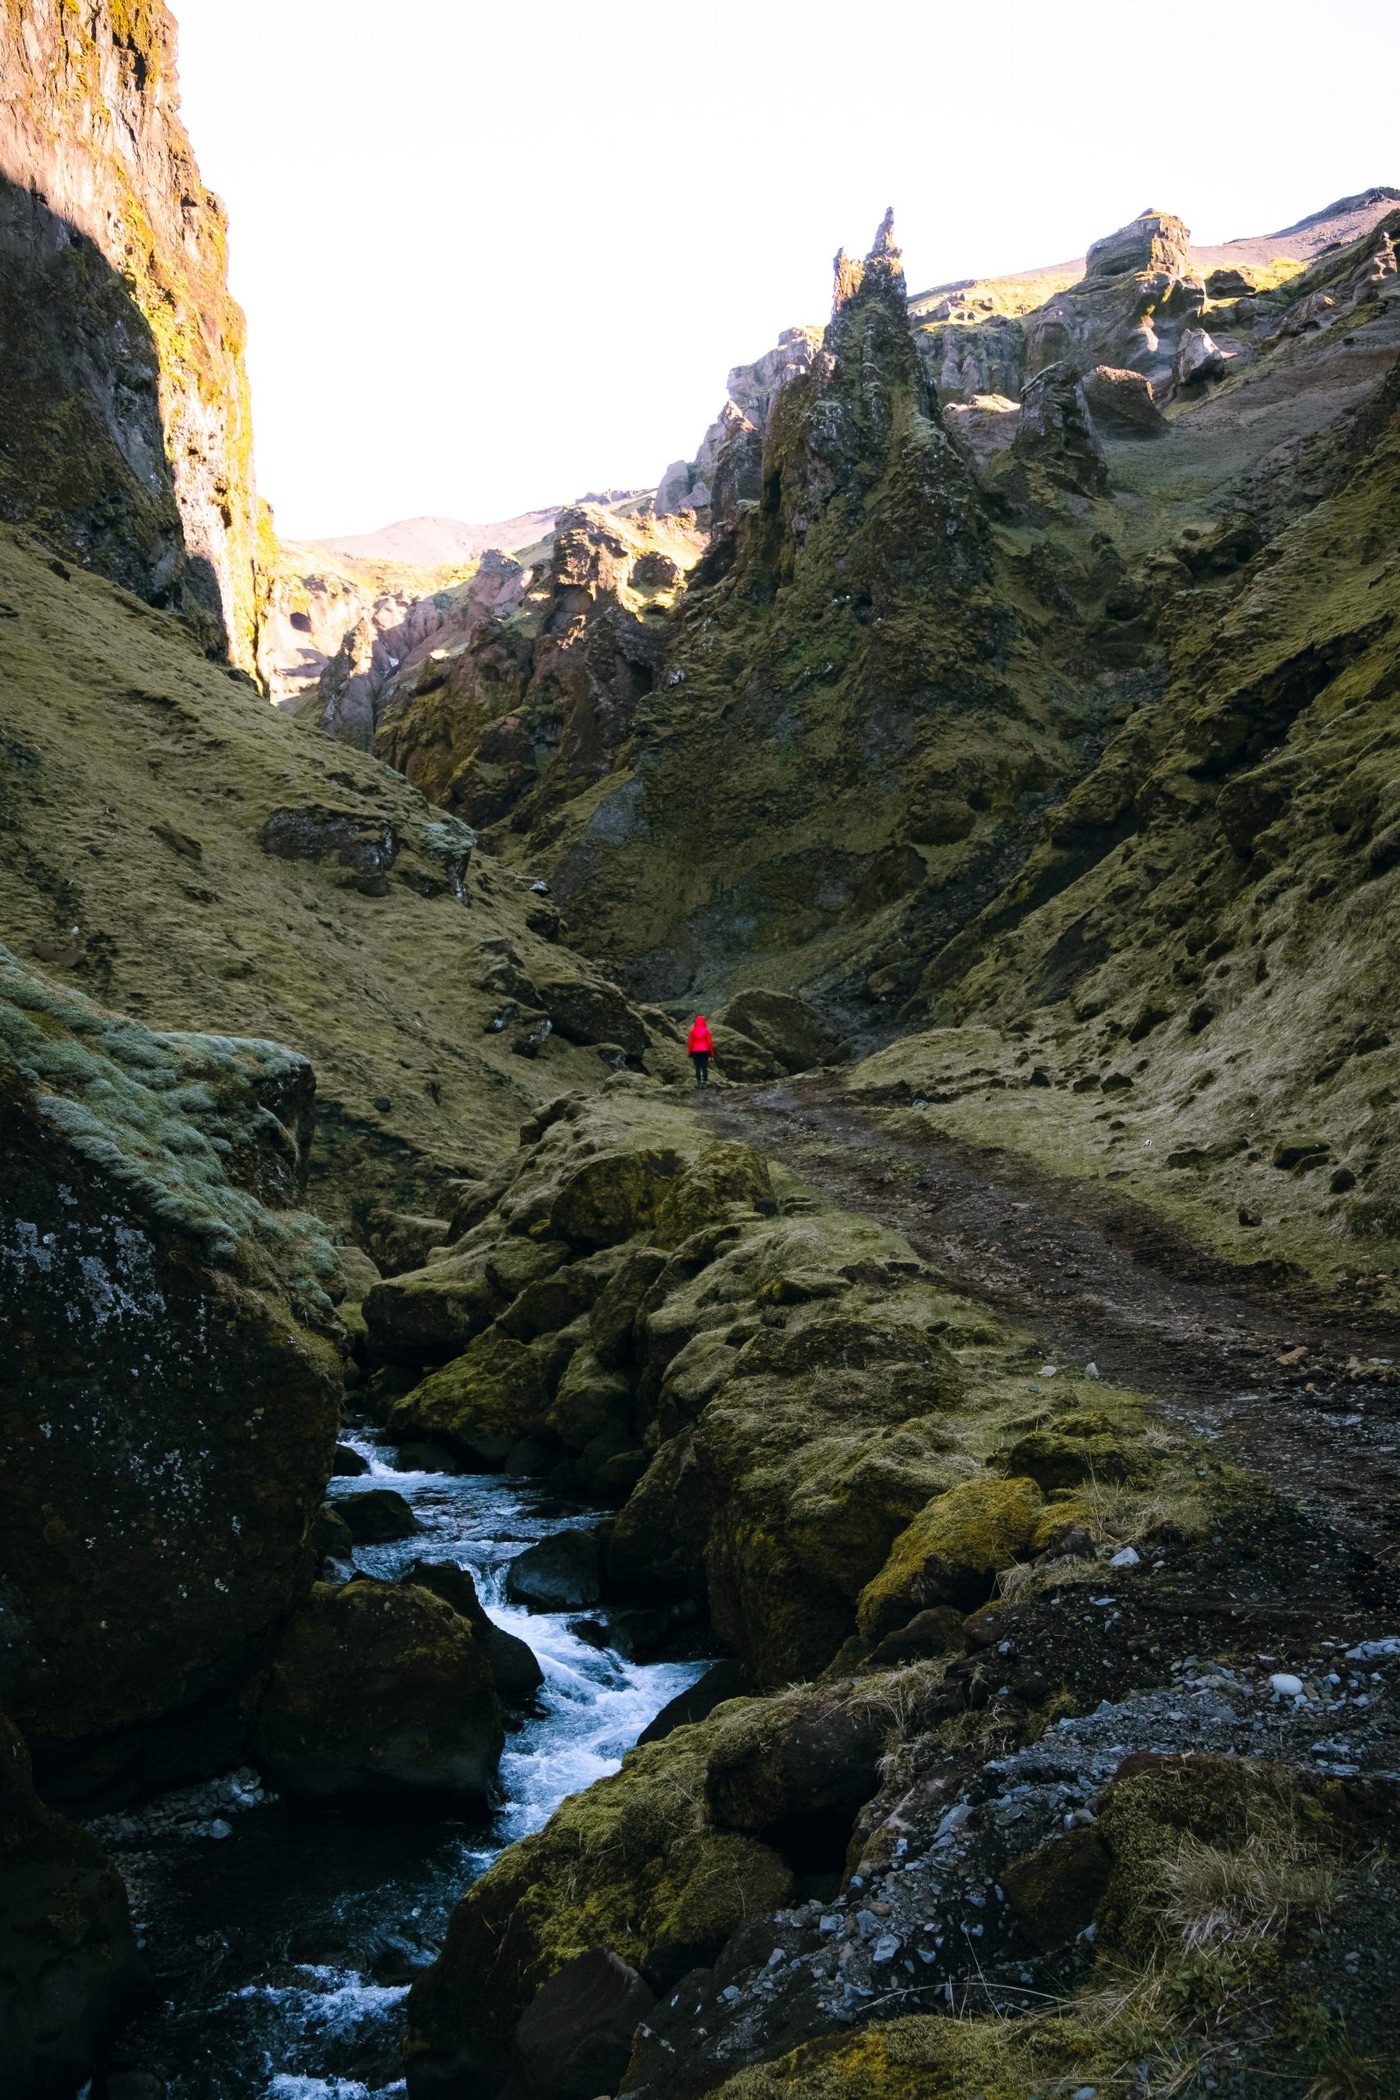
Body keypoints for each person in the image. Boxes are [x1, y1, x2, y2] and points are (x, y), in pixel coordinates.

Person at [687, 1013, 714, 1088]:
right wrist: (711, 1054)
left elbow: (690, 1043)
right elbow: (709, 1043)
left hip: (695, 1051)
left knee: (697, 1067)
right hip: (705, 1050)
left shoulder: (692, 1031)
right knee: (704, 1067)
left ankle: (698, 1083)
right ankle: (705, 1083)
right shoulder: (707, 1030)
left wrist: (690, 1053)